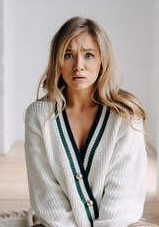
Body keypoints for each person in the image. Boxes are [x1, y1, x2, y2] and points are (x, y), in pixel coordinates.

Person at [24, 16, 152, 227]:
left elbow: (123, 200)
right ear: (57, 61)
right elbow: (46, 195)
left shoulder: (126, 116)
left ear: (102, 61)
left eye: (89, 55)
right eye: (68, 55)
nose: (78, 66)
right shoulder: (38, 116)